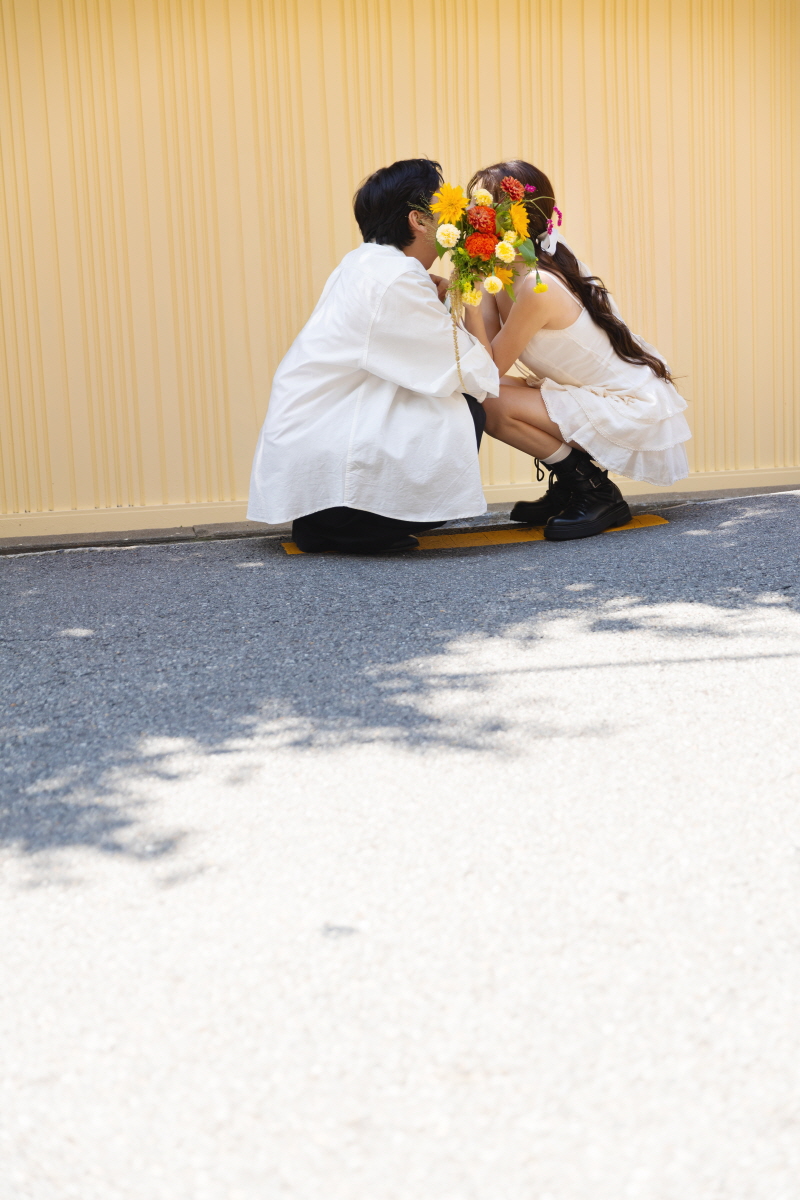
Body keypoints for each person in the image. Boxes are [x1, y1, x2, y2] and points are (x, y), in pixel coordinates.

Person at [247, 158, 499, 553]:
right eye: (445, 204)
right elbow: (473, 373)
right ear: (419, 220)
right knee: (467, 410)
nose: (456, 214)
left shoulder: (365, 263)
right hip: (327, 445)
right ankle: (357, 527)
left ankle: (331, 523)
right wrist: (470, 303)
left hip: (309, 441)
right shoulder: (396, 278)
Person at [461, 160, 692, 540]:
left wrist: (468, 300)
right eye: (473, 202)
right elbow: (482, 359)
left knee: (489, 401)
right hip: (586, 393)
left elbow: (487, 370)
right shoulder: (499, 274)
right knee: (481, 393)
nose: (472, 212)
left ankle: (595, 491)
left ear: (515, 218)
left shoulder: (537, 285)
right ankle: (571, 485)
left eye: (484, 203)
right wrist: (472, 281)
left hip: (627, 406)